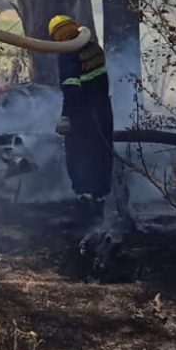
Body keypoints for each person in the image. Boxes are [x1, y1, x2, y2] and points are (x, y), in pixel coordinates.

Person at [49, 14, 114, 220]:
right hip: (103, 111)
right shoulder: (94, 48)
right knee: (101, 155)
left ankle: (85, 203)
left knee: (79, 156)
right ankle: (99, 201)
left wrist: (66, 116)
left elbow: (71, 88)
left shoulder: (68, 53)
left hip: (82, 115)